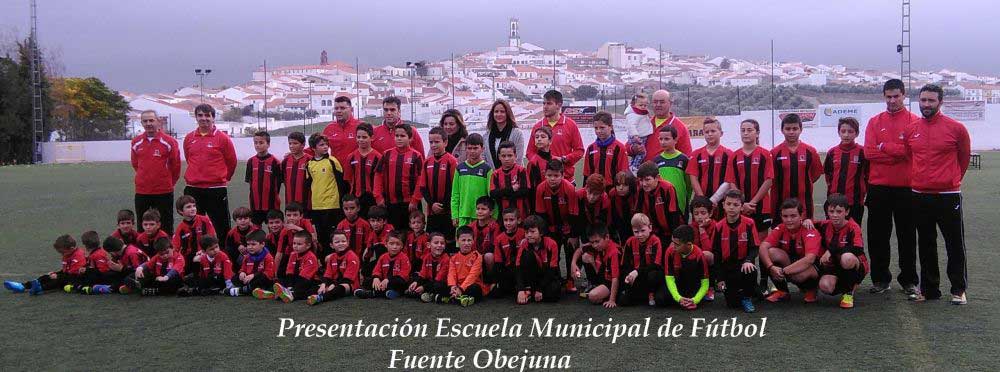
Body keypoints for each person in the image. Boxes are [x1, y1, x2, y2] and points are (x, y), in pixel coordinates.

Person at [904, 84, 971, 305]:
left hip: (948, 195)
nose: (926, 105)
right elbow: (909, 157)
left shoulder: (956, 128)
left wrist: (949, 180)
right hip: (920, 195)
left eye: (931, 101)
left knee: (954, 243)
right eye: (923, 100)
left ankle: (958, 289)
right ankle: (930, 289)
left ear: (940, 102)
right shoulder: (912, 129)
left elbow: (963, 159)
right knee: (925, 243)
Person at [864, 79, 919, 295]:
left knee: (907, 236)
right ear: (884, 96)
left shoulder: (914, 122)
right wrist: (896, 154)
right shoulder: (874, 122)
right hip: (878, 187)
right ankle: (880, 280)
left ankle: (909, 280)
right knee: (878, 236)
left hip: (906, 188)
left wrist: (884, 147)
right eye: (888, 96)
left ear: (904, 95)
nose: (892, 100)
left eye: (896, 96)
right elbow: (869, 153)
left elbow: (910, 152)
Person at [183, 104, 238, 235]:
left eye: (207, 115)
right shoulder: (189, 138)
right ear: (196, 117)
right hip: (193, 188)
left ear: (213, 118)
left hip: (216, 189)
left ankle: (224, 253)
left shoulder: (223, 138)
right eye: (200, 115)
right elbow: (188, 158)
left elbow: (232, 161)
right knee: (194, 226)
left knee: (221, 226)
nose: (204, 118)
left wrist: (223, 178)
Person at [759, 198, 824, 304]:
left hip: (811, 266)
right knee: (769, 252)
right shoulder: (780, 228)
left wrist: (783, 271)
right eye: (785, 216)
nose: (789, 220)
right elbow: (763, 247)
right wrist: (771, 267)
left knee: (798, 276)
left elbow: (810, 259)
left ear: (801, 215)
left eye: (793, 216)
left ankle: (811, 289)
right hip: (791, 263)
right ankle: (783, 291)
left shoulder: (809, 230)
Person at [131, 110, 181, 234]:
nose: (148, 123)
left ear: (158, 122)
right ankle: (143, 251)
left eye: (151, 120)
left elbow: (176, 166)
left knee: (166, 224)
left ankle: (167, 251)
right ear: (142, 123)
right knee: (143, 225)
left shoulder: (169, 142)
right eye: (145, 121)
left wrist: (168, 182)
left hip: (163, 190)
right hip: (142, 190)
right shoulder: (136, 142)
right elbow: (135, 164)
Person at [815, 194, 869, 309]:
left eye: (839, 211)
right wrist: (806, 222)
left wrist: (831, 251)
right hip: (835, 267)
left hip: (855, 265)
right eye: (831, 211)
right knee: (825, 286)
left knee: (847, 258)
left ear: (847, 212)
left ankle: (848, 292)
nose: (835, 215)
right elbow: (803, 225)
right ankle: (845, 284)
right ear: (827, 212)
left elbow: (858, 249)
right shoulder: (823, 225)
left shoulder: (853, 227)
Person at [534, 159, 580, 292]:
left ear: (563, 175)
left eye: (556, 176)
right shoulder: (541, 188)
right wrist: (544, 234)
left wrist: (573, 235)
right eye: (549, 175)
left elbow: (574, 214)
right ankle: (556, 278)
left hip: (567, 227)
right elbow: (540, 215)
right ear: (545, 174)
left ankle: (570, 281)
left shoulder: (569, 188)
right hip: (550, 227)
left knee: (570, 251)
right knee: (552, 253)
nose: (552, 179)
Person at [712, 190, 760, 313]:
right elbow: (716, 254)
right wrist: (720, 278)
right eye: (728, 204)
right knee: (732, 304)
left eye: (736, 205)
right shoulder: (718, 227)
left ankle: (747, 296)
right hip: (727, 268)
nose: (731, 207)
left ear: (742, 207)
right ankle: (749, 290)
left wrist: (749, 260)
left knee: (751, 270)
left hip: (743, 265)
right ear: (723, 205)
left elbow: (755, 248)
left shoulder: (749, 223)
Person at [771, 113, 823, 220]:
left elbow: (815, 174)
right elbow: (771, 178)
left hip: (805, 204)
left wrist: (803, 182)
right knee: (782, 236)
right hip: (780, 204)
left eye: (795, 128)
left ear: (801, 129)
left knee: (804, 234)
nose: (791, 132)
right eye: (788, 128)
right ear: (782, 130)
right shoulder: (775, 153)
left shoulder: (810, 151)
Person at [373, 123, 424, 232]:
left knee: (412, 233)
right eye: (397, 136)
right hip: (391, 203)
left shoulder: (416, 156)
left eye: (402, 136)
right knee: (394, 234)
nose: (399, 138)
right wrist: (378, 196)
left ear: (410, 138)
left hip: (410, 204)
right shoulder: (386, 154)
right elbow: (378, 175)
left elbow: (421, 179)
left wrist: (415, 200)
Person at [525, 90, 585, 181]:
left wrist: (563, 159)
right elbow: (530, 152)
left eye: (549, 103)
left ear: (559, 105)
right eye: (544, 103)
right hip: (542, 180)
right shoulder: (537, 126)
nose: (545, 107)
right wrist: (541, 163)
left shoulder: (570, 125)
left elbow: (579, 151)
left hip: (566, 179)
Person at [305, 133, 349, 254]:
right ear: (313, 148)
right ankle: (324, 263)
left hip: (332, 205)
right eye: (321, 145)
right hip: (317, 206)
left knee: (333, 236)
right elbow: (309, 185)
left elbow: (342, 182)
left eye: (326, 144)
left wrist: (341, 200)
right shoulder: (309, 164)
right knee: (321, 237)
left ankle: (335, 260)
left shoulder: (332, 161)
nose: (325, 147)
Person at [731, 119, 774, 233]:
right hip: (740, 206)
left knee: (760, 241)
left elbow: (769, 180)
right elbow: (731, 181)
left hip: (761, 207)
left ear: (757, 133)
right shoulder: (734, 156)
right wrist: (741, 203)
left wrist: (752, 203)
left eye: (749, 130)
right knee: (741, 240)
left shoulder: (765, 154)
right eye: (743, 130)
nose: (745, 133)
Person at [417, 127, 458, 245]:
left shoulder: (452, 161)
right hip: (432, 211)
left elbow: (454, 187)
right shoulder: (427, 162)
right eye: (431, 142)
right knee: (432, 241)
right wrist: (432, 204)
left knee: (448, 242)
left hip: (447, 211)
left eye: (437, 142)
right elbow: (423, 187)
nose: (433, 145)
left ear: (445, 142)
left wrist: (443, 205)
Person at [4, 235, 83, 295]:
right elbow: (67, 270)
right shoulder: (68, 254)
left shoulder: (79, 256)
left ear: (71, 249)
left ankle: (40, 288)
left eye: (62, 252)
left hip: (76, 279)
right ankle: (23, 286)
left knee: (57, 280)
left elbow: (75, 274)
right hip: (68, 275)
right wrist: (56, 273)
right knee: (46, 277)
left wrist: (58, 276)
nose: (62, 254)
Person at [687, 117, 734, 218]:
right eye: (706, 132)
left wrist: (715, 199)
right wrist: (703, 200)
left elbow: (729, 180)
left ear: (721, 133)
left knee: (721, 230)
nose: (710, 134)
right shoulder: (696, 154)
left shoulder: (729, 154)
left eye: (713, 131)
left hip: (722, 201)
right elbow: (693, 178)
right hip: (701, 201)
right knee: (701, 230)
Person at [823, 117, 868, 224]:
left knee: (853, 233)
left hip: (855, 202)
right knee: (832, 233)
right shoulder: (832, 152)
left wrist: (863, 191)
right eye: (843, 131)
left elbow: (868, 175)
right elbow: (828, 174)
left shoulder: (863, 152)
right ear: (839, 132)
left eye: (850, 131)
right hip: (833, 202)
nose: (846, 134)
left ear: (856, 133)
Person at [618, 213, 663, 306]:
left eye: (643, 230)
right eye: (636, 232)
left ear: (650, 228)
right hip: (635, 276)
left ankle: (651, 293)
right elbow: (624, 264)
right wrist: (628, 275)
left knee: (653, 275)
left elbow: (656, 265)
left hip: (649, 274)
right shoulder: (630, 242)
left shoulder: (655, 241)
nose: (640, 234)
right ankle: (640, 294)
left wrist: (637, 272)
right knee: (623, 301)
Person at [514, 215, 561, 304]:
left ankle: (533, 292)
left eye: (532, 232)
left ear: (541, 232)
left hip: (546, 276)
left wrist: (540, 289)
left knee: (553, 294)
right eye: (526, 232)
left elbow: (552, 270)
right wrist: (520, 289)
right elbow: (518, 267)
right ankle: (528, 290)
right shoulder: (524, 243)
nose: (529, 235)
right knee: (528, 256)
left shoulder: (552, 244)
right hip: (531, 276)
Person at [661, 225, 711, 310]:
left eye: (676, 244)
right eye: (672, 242)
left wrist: (695, 300)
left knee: (691, 301)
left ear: (688, 244)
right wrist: (678, 298)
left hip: (692, 284)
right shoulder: (670, 251)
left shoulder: (699, 254)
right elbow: (669, 278)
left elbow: (705, 283)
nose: (673, 246)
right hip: (677, 283)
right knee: (660, 300)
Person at [572, 224, 621, 308]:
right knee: (586, 256)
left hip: (613, 281)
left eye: (597, 242)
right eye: (592, 242)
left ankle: (611, 294)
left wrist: (612, 300)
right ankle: (595, 285)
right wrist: (573, 264)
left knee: (592, 296)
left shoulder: (614, 252)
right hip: (603, 276)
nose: (594, 245)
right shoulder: (594, 245)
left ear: (607, 237)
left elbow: (615, 278)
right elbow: (579, 250)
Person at [450, 134, 493, 228]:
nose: (472, 151)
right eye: (469, 148)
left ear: (482, 148)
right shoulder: (460, 169)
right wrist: (454, 214)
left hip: (482, 216)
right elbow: (455, 194)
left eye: (475, 148)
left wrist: (492, 215)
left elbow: (491, 195)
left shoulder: (487, 169)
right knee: (463, 241)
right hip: (463, 215)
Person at [309, 230, 361, 305]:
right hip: (334, 282)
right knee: (316, 287)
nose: (341, 244)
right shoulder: (332, 257)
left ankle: (321, 298)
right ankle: (293, 294)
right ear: (331, 245)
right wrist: (324, 284)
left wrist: (333, 285)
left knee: (339, 288)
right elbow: (328, 275)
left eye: (343, 241)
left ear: (348, 242)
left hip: (350, 285)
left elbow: (347, 279)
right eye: (337, 242)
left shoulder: (352, 257)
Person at [634, 162, 682, 243]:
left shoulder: (667, 188)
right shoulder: (641, 190)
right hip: (653, 232)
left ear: (657, 177)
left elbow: (674, 214)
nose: (644, 184)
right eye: (641, 180)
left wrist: (674, 239)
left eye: (647, 179)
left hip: (671, 231)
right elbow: (639, 213)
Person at [356, 230, 411, 299]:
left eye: (398, 244)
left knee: (399, 284)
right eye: (391, 244)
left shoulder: (404, 258)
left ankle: (372, 293)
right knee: (368, 281)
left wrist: (389, 280)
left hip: (396, 282)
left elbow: (404, 275)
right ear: (386, 244)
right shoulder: (383, 257)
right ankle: (386, 293)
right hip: (384, 281)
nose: (394, 247)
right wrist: (376, 278)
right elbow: (377, 270)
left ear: (402, 246)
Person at [641, 90, 691, 162]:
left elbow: (687, 156)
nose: (658, 105)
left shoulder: (680, 127)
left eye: (662, 102)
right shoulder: (644, 124)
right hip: (644, 171)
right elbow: (628, 146)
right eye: (655, 102)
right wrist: (633, 148)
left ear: (670, 103)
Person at [652, 125, 692, 216]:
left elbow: (689, 184)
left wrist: (686, 199)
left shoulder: (684, 159)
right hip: (662, 202)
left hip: (680, 202)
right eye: (661, 139)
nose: (663, 142)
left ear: (675, 140)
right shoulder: (656, 160)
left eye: (666, 139)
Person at [584, 111, 629, 190]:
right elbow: (587, 174)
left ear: (610, 127)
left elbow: (623, 174)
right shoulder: (590, 148)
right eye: (596, 128)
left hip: (612, 190)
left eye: (602, 127)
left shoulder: (619, 148)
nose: (598, 131)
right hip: (595, 191)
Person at [245, 131, 282, 226]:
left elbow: (278, 184)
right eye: (255, 143)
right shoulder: (250, 162)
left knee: (273, 229)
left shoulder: (275, 162)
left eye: (261, 143)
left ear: (268, 144)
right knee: (256, 230)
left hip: (271, 204)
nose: (258, 145)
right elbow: (250, 182)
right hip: (255, 204)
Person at [272, 231, 321, 303]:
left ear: (308, 246)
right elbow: (289, 272)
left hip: (309, 281)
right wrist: (289, 286)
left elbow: (304, 278)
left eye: (299, 244)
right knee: (280, 281)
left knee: (309, 290)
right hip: (297, 279)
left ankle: (291, 295)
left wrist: (292, 289)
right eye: (294, 243)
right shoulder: (293, 254)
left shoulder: (311, 257)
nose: (295, 246)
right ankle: (278, 293)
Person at [345, 124, 381, 218]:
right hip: (356, 198)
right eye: (358, 137)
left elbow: (381, 180)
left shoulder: (378, 157)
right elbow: (348, 178)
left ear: (372, 138)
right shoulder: (351, 157)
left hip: (372, 198)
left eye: (364, 137)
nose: (361, 140)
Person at [172, 195, 217, 270]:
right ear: (180, 211)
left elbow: (213, 238)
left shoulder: (204, 220)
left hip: (207, 252)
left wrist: (203, 252)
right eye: (188, 207)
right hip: (189, 258)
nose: (193, 209)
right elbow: (175, 249)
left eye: (194, 206)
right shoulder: (180, 229)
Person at [274, 202, 317, 280]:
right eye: (289, 215)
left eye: (295, 215)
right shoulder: (285, 231)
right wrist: (275, 272)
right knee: (281, 274)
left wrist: (296, 228)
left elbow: (313, 238)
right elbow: (279, 253)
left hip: (308, 254)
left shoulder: (306, 222)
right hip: (292, 255)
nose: (291, 218)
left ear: (301, 216)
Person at [448, 226, 489, 307]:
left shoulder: (477, 256)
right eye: (463, 240)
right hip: (458, 286)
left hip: (471, 285)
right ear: (457, 240)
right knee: (441, 286)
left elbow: (473, 275)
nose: (466, 243)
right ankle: (460, 297)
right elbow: (451, 274)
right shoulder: (453, 258)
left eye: (469, 240)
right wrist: (453, 286)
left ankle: (456, 297)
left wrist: (461, 289)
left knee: (475, 289)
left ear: (473, 240)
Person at [489, 141, 532, 219]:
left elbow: (525, 191)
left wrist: (503, 193)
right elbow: (493, 194)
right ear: (499, 157)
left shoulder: (521, 171)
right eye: (503, 156)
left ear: (515, 156)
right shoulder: (495, 174)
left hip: (521, 215)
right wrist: (512, 189)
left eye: (510, 155)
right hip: (502, 215)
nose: (506, 159)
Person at [228, 230, 276, 297]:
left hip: (260, 279)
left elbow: (269, 274)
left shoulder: (268, 257)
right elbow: (243, 269)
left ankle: (241, 290)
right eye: (248, 244)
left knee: (263, 280)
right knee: (234, 278)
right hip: (249, 279)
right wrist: (242, 273)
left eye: (253, 244)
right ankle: (252, 290)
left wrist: (254, 275)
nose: (250, 247)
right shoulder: (247, 257)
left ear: (262, 244)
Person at [489, 208, 524, 299]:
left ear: (518, 220)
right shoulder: (499, 239)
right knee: (496, 293)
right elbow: (498, 262)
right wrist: (495, 281)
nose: (508, 223)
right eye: (505, 220)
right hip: (508, 270)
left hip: (522, 269)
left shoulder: (524, 234)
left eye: (511, 220)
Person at [483, 99, 525, 168]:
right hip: (493, 176)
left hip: (513, 176)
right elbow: (484, 158)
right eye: (496, 111)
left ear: (507, 113)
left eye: (502, 111)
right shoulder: (486, 136)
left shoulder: (517, 134)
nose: (499, 114)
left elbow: (518, 158)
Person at [322, 96, 361, 166]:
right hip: (336, 172)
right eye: (336, 108)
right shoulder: (329, 128)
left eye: (342, 108)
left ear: (351, 109)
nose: (338, 111)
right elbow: (317, 147)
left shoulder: (361, 126)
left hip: (355, 171)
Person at [412, 233, 451, 303]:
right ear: (428, 245)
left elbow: (439, 279)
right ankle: (425, 293)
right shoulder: (427, 257)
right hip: (431, 282)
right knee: (413, 279)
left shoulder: (446, 259)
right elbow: (423, 274)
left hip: (442, 283)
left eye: (442, 243)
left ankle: (431, 295)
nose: (439, 245)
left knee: (438, 286)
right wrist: (416, 282)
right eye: (436, 243)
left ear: (445, 246)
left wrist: (424, 287)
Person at [281, 132, 312, 211]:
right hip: (289, 201)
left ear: (303, 144)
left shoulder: (310, 160)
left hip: (306, 202)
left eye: (295, 143)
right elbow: (284, 179)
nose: (291, 146)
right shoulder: (286, 161)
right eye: (290, 143)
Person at [624, 93, 652, 172]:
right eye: (641, 105)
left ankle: (631, 166)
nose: (643, 107)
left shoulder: (641, 112)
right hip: (638, 137)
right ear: (634, 104)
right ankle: (635, 167)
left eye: (645, 105)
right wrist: (635, 136)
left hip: (640, 136)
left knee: (637, 154)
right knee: (642, 153)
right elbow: (631, 126)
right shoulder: (633, 114)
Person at [469, 197, 501, 265]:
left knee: (489, 256)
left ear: (491, 212)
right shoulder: (471, 226)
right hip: (473, 255)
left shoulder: (495, 226)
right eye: (478, 209)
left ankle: (489, 275)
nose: (480, 211)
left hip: (486, 256)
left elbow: (495, 246)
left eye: (483, 209)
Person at [609, 171, 638, 242]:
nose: (621, 188)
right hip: (620, 225)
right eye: (618, 185)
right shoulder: (612, 194)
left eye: (625, 185)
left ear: (631, 185)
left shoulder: (638, 193)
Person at [404, 211, 429, 278]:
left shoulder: (426, 237)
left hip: (421, 263)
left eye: (419, 222)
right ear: (410, 225)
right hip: (410, 262)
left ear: (424, 224)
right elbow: (406, 250)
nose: (416, 225)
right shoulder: (409, 237)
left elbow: (426, 253)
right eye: (413, 223)